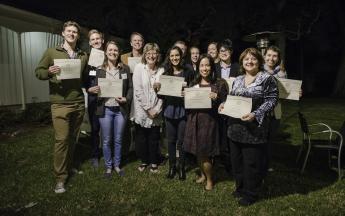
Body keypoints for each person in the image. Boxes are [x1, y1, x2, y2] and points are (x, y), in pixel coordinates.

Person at [219, 48, 278, 206]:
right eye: (246, 59)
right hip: (235, 128)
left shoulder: (267, 79)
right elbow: (232, 98)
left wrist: (256, 113)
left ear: (259, 61)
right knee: (236, 162)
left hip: (254, 129)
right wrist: (224, 104)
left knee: (251, 163)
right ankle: (240, 188)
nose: (249, 62)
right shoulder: (237, 79)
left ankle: (251, 193)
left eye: (253, 59)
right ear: (242, 62)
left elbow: (272, 100)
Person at [35, 21, 88, 193]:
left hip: (78, 102)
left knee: (73, 138)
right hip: (60, 103)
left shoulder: (82, 55)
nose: (72, 34)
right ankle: (60, 178)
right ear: (63, 33)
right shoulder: (52, 52)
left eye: (75, 32)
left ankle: (69, 166)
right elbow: (39, 72)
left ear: (77, 36)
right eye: (69, 31)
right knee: (61, 140)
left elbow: (89, 75)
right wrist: (49, 71)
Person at [88, 41, 133, 178]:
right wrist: (92, 90)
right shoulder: (99, 69)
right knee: (107, 140)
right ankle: (108, 166)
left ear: (118, 53)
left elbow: (130, 87)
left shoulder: (124, 68)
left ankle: (117, 165)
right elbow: (93, 86)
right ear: (106, 52)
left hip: (120, 110)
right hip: (105, 109)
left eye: (115, 50)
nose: (113, 52)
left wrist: (127, 98)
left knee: (118, 139)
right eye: (110, 50)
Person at [184, 54, 228, 190]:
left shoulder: (219, 84)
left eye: (207, 65)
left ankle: (209, 179)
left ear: (212, 67)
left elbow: (226, 104)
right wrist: (184, 96)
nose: (205, 68)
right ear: (198, 67)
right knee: (198, 151)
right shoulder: (194, 83)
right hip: (194, 120)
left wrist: (218, 98)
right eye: (202, 65)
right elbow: (188, 104)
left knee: (205, 152)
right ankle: (203, 174)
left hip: (209, 123)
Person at [160, 46, 193, 180]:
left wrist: (187, 92)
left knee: (182, 142)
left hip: (183, 111)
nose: (174, 58)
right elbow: (161, 96)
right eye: (172, 56)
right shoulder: (165, 73)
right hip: (169, 111)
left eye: (177, 55)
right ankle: (172, 167)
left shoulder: (188, 71)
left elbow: (193, 89)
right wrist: (158, 90)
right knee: (171, 141)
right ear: (169, 57)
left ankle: (181, 167)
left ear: (181, 56)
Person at [131, 43, 164, 173]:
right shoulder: (139, 68)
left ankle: (154, 162)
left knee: (154, 137)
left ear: (158, 55)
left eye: (154, 53)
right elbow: (138, 90)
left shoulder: (162, 70)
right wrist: (148, 108)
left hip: (156, 110)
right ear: (145, 55)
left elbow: (163, 93)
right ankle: (144, 160)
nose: (151, 55)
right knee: (141, 137)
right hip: (142, 110)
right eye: (148, 53)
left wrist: (157, 109)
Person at [215, 39, 240, 173]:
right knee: (219, 133)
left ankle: (232, 163)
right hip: (216, 106)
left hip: (233, 106)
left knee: (231, 134)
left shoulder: (238, 67)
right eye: (221, 51)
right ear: (218, 53)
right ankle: (220, 159)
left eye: (226, 50)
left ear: (231, 52)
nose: (224, 53)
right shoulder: (214, 67)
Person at [263, 45, 287, 173]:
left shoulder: (282, 73)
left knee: (270, 139)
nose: (271, 58)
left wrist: (295, 92)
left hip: (275, 111)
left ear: (278, 58)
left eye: (274, 56)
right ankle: (258, 162)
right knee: (260, 137)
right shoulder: (258, 70)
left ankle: (268, 163)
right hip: (261, 111)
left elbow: (286, 93)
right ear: (264, 56)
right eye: (269, 55)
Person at [84, 29, 104, 168]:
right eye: (93, 39)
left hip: (109, 99)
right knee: (95, 129)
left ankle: (111, 153)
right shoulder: (86, 59)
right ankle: (95, 154)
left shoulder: (110, 56)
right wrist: (87, 89)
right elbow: (82, 78)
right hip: (93, 99)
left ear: (102, 40)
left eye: (98, 38)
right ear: (90, 43)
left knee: (109, 128)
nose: (96, 41)